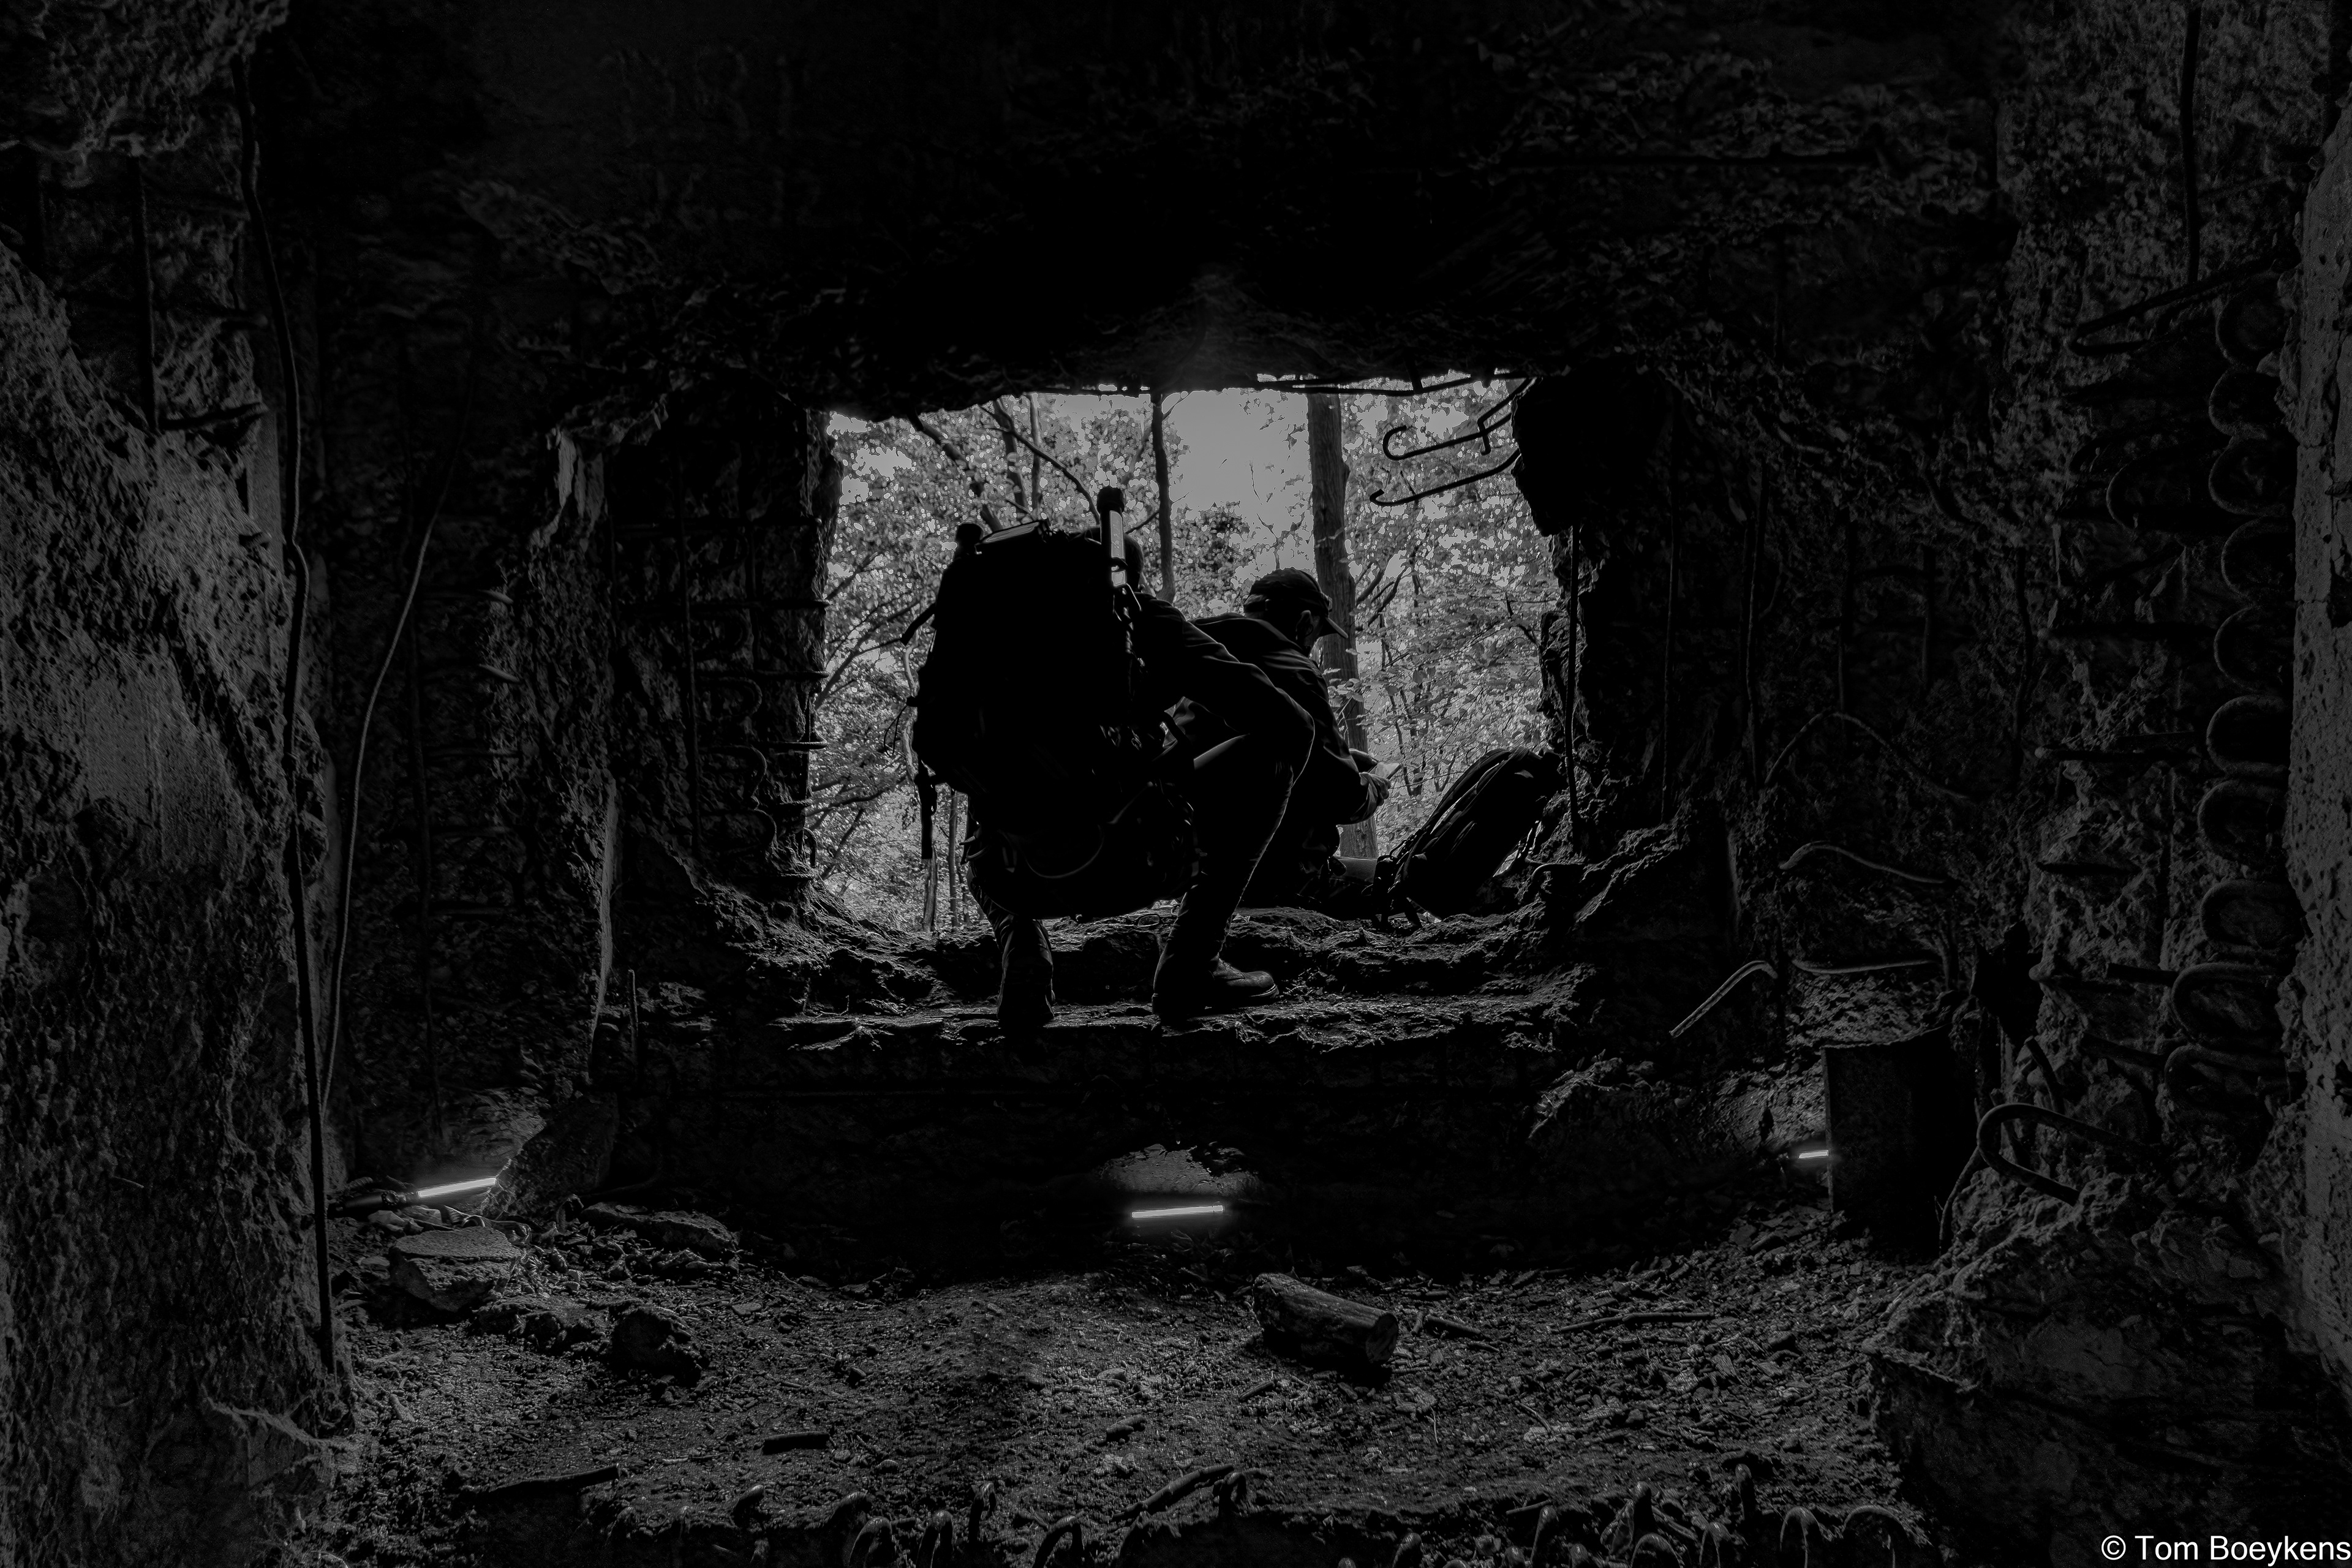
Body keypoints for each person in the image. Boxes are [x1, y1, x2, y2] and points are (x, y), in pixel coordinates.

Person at [956, 538, 1317, 1030]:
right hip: (1130, 862)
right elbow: (1291, 725)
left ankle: (1022, 943)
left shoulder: (996, 639)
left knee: (988, 820)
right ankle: (1192, 962)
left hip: (1012, 880)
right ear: (1129, 579)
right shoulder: (1142, 619)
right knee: (1273, 757)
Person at [1175, 568, 1390, 916]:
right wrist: (1372, 787)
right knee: (1408, 886)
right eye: (1316, 635)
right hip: (1280, 877)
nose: (1312, 646)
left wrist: (1340, 757)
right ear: (1304, 622)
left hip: (1194, 869)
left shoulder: (1205, 661)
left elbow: (1236, 759)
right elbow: (1342, 797)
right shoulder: (1295, 670)